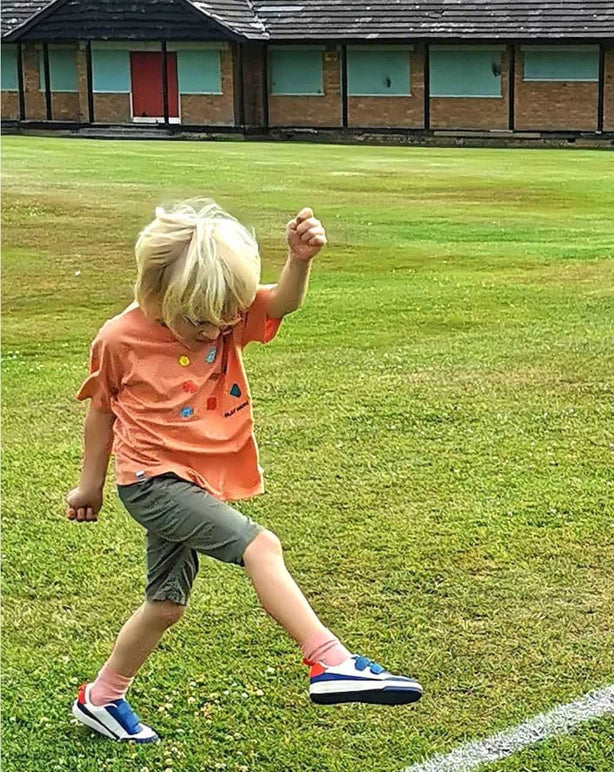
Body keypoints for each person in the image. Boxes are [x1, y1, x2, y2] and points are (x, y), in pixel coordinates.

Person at [67, 200, 423, 742]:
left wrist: (299, 259)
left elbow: (282, 301)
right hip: (150, 483)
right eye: (200, 323)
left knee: (165, 605)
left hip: (195, 482)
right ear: (158, 293)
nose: (216, 332)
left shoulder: (226, 315)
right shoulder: (119, 339)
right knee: (262, 546)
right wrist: (89, 483)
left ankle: (101, 697)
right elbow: (101, 409)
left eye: (227, 318)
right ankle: (328, 660)